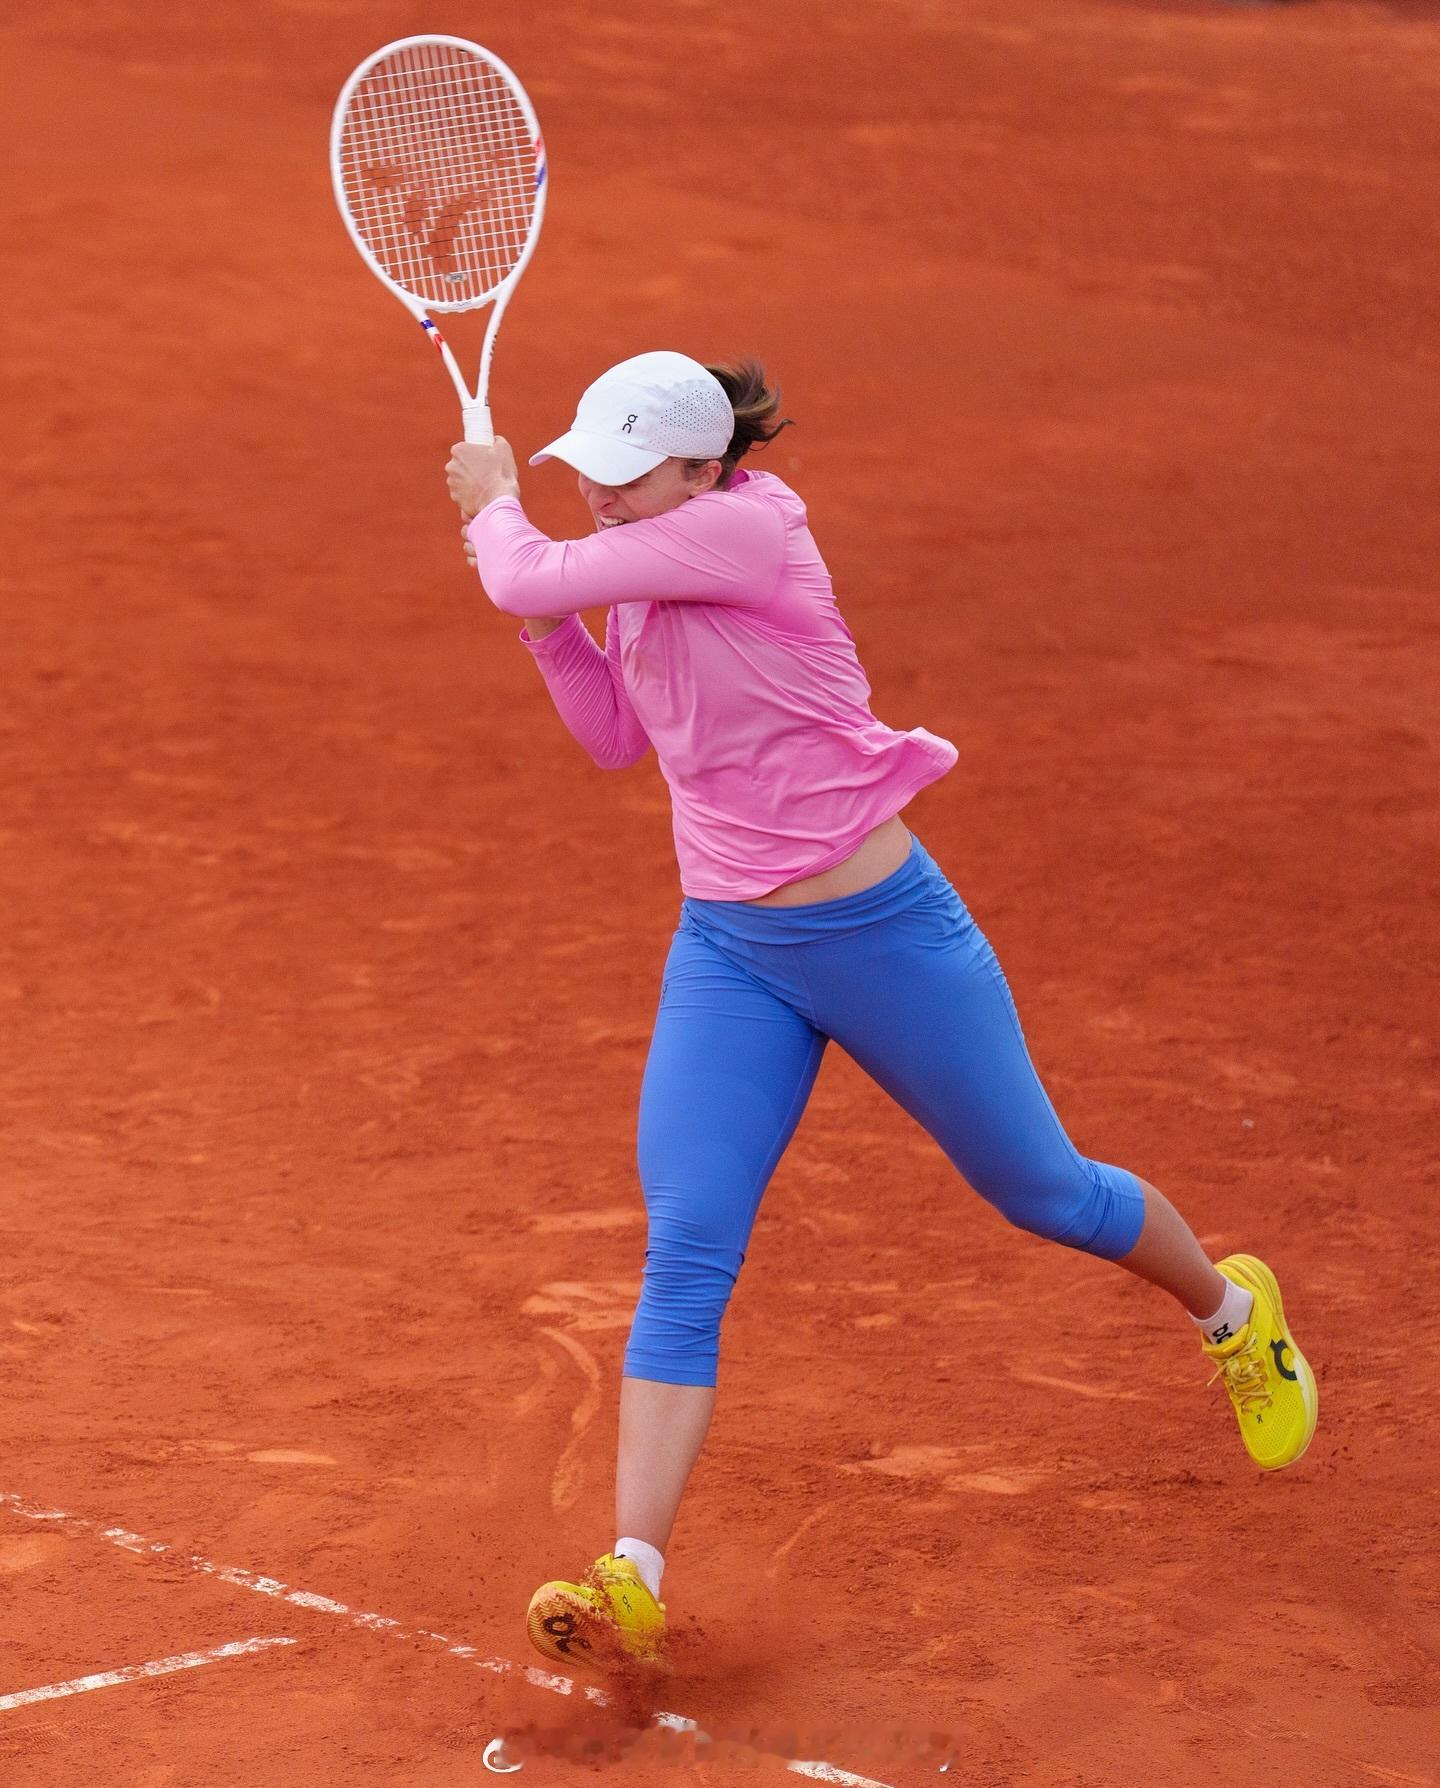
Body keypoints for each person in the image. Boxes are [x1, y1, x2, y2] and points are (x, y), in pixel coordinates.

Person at [444, 351, 1317, 1675]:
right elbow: (618, 735)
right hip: (729, 950)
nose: (602, 499)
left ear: (701, 469)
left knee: (1045, 1192)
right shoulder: (643, 560)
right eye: (589, 477)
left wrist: (495, 506)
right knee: (687, 1248)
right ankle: (633, 1575)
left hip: (883, 939)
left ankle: (1230, 1312)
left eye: (625, 478)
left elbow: (521, 567)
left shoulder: (745, 532)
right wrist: (548, 618)